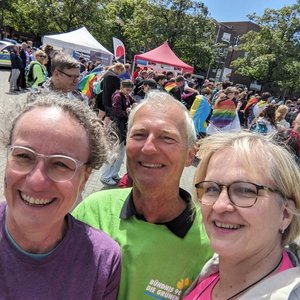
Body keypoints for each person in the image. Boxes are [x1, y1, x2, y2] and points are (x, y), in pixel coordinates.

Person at [72, 91, 213, 300]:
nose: (148, 148)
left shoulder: (209, 240)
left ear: (191, 154)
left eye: (167, 138)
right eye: (138, 135)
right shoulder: (93, 211)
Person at [0, 94, 121, 299]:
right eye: (23, 156)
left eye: (61, 164)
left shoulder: (103, 259)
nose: (36, 181)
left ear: (85, 177)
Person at [183, 131, 300, 299]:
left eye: (245, 190)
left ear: (285, 214)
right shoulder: (211, 271)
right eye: (212, 188)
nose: (220, 205)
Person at [100, 79, 135, 186]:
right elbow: (116, 111)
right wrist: (128, 112)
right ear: (122, 87)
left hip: (123, 128)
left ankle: (114, 173)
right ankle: (105, 176)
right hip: (116, 127)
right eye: (127, 89)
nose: (128, 92)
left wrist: (134, 105)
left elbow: (132, 101)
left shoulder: (126, 96)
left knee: (120, 154)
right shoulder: (118, 96)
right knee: (113, 152)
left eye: (130, 90)